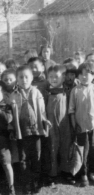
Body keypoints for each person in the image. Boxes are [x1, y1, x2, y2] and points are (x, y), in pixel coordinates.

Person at [14, 66, 51, 194]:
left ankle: (36, 181)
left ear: (31, 78)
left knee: (36, 157)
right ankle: (26, 183)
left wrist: (45, 120)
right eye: (21, 77)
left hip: (35, 131)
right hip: (22, 132)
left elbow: (42, 110)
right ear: (16, 79)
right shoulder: (14, 94)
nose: (24, 80)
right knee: (23, 159)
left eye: (27, 77)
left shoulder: (36, 92)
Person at [68, 64, 94, 187]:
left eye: (88, 74)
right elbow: (72, 110)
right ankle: (83, 173)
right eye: (81, 74)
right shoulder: (75, 90)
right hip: (80, 126)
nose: (84, 77)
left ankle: (92, 173)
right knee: (82, 151)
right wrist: (75, 126)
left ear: (93, 75)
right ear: (78, 76)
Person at [46, 65, 73, 185]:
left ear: (63, 77)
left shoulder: (68, 91)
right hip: (51, 124)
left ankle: (66, 171)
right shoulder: (46, 92)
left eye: (56, 77)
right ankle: (53, 173)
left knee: (65, 146)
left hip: (65, 123)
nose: (53, 79)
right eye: (50, 77)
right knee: (52, 146)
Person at [0, 83, 15, 195]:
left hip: (2, 139)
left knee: (6, 163)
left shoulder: (6, 106)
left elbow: (8, 119)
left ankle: (11, 187)